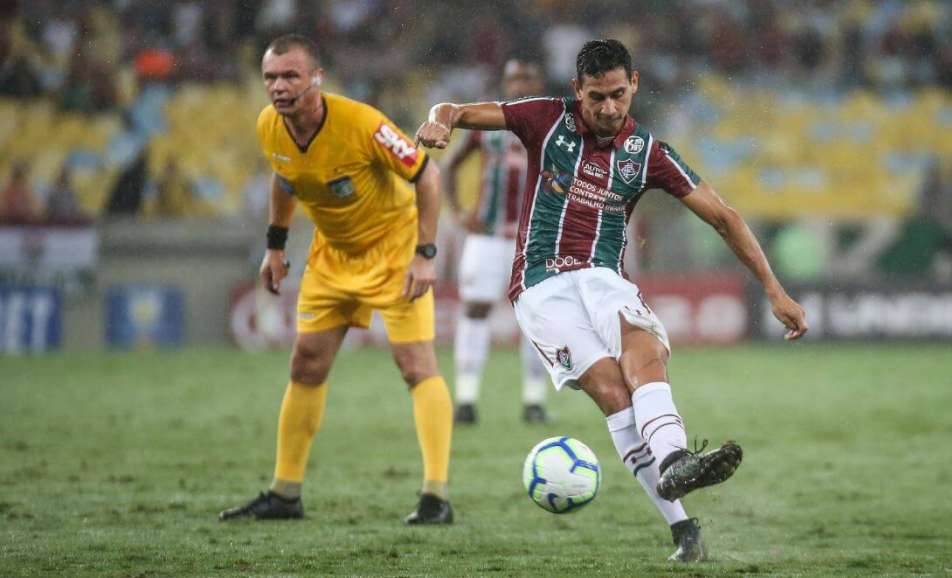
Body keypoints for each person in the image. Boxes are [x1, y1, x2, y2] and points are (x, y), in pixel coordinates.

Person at [416, 39, 807, 562]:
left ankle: (674, 461)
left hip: (605, 276)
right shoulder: (544, 119)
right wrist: (439, 121)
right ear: (577, 89)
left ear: (634, 85)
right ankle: (683, 527)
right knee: (612, 392)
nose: (607, 108)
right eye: (596, 96)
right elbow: (456, 110)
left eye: (618, 95)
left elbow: (724, 216)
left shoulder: (647, 152)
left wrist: (774, 290)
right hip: (541, 283)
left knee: (644, 350)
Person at [219, 34, 454, 525]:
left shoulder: (363, 124)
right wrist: (275, 246)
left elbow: (427, 176)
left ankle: (436, 497)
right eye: (270, 77)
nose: (279, 87)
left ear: (317, 79)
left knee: (415, 364)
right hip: (332, 255)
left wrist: (425, 254)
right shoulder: (269, 125)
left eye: (290, 76)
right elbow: (285, 177)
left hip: (394, 251)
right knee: (305, 363)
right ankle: (285, 493)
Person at [442, 59, 551, 425]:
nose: (519, 84)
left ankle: (534, 401)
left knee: (537, 316)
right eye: (513, 78)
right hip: (487, 236)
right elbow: (450, 165)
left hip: (534, 239)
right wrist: (459, 212)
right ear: (505, 83)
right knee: (475, 309)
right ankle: (466, 399)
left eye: (526, 77)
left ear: (539, 82)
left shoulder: (553, 123)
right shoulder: (488, 124)